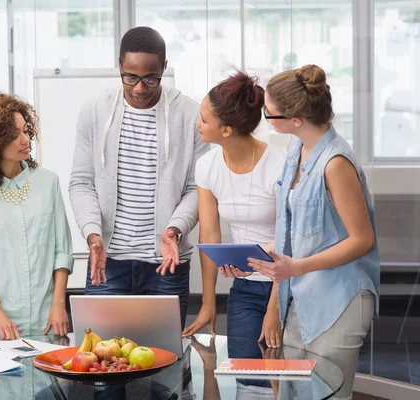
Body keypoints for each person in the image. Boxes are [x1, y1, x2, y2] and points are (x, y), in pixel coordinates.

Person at [248, 64, 380, 399]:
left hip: (339, 301)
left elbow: (362, 240)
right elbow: (292, 232)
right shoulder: (296, 151)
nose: (265, 118)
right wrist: (252, 259)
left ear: (295, 119)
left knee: (326, 393)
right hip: (301, 298)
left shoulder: (335, 163)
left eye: (269, 113)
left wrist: (294, 267)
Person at [68, 26, 208, 329]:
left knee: (163, 365)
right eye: (130, 77)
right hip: (107, 263)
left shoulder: (189, 115)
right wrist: (93, 234)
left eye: (151, 78)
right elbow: (81, 182)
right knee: (102, 366)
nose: (140, 88)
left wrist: (174, 229)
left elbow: (197, 188)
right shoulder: (94, 111)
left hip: (165, 266)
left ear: (164, 69)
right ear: (120, 66)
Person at [0, 93, 74, 343]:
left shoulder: (47, 182)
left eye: (26, 130)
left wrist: (59, 304)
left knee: (47, 382)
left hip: (47, 319)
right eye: (13, 135)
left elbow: (62, 250)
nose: (25, 139)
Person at [182, 72, 286, 351]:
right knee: (244, 378)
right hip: (246, 288)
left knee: (283, 379)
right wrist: (207, 303)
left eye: (204, 119)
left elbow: (292, 240)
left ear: (226, 130)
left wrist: (273, 311)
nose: (197, 123)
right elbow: (210, 234)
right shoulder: (207, 166)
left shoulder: (280, 165)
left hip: (288, 287)